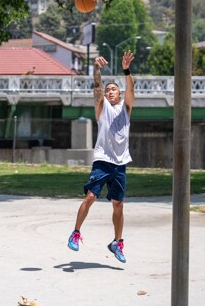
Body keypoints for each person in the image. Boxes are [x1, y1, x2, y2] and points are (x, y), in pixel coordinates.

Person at [67, 50, 135, 263]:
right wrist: (97, 70)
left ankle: (117, 242)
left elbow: (131, 87)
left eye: (114, 89)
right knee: (90, 196)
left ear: (120, 94)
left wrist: (126, 70)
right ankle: (76, 233)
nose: (110, 91)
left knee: (118, 204)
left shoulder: (126, 109)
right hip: (103, 160)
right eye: (108, 90)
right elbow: (97, 88)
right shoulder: (102, 108)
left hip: (120, 163)